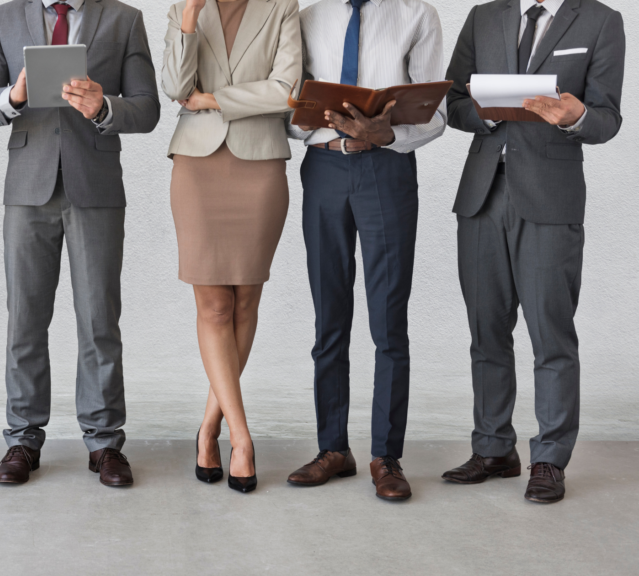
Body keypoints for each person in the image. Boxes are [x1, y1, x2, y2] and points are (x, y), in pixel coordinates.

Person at [0, 0, 159, 487]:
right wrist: (13, 96)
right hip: (27, 188)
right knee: (24, 318)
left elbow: (149, 108)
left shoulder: (124, 19)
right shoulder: (3, 17)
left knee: (98, 318)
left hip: (94, 186)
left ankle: (104, 442)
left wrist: (104, 106)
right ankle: (23, 438)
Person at [442, 0, 624, 504]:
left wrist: (577, 116)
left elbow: (607, 118)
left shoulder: (602, 20)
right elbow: (453, 99)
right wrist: (479, 114)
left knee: (551, 334)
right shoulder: (484, 15)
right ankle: (494, 447)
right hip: (482, 196)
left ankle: (549, 459)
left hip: (550, 200)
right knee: (487, 332)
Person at [285, 0, 446, 501]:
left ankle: (386, 456)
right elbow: (289, 107)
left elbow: (435, 114)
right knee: (328, 317)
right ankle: (333, 448)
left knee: (387, 321)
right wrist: (320, 122)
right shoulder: (307, 17)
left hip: (387, 170)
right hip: (325, 170)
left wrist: (387, 132)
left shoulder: (418, 14)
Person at [161, 0, 301, 493]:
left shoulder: (283, 6)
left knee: (246, 300)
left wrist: (212, 100)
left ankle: (209, 427)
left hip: (260, 163)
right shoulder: (184, 8)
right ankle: (241, 439)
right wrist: (189, 18)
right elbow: (175, 88)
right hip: (197, 167)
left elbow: (287, 92)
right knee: (214, 305)